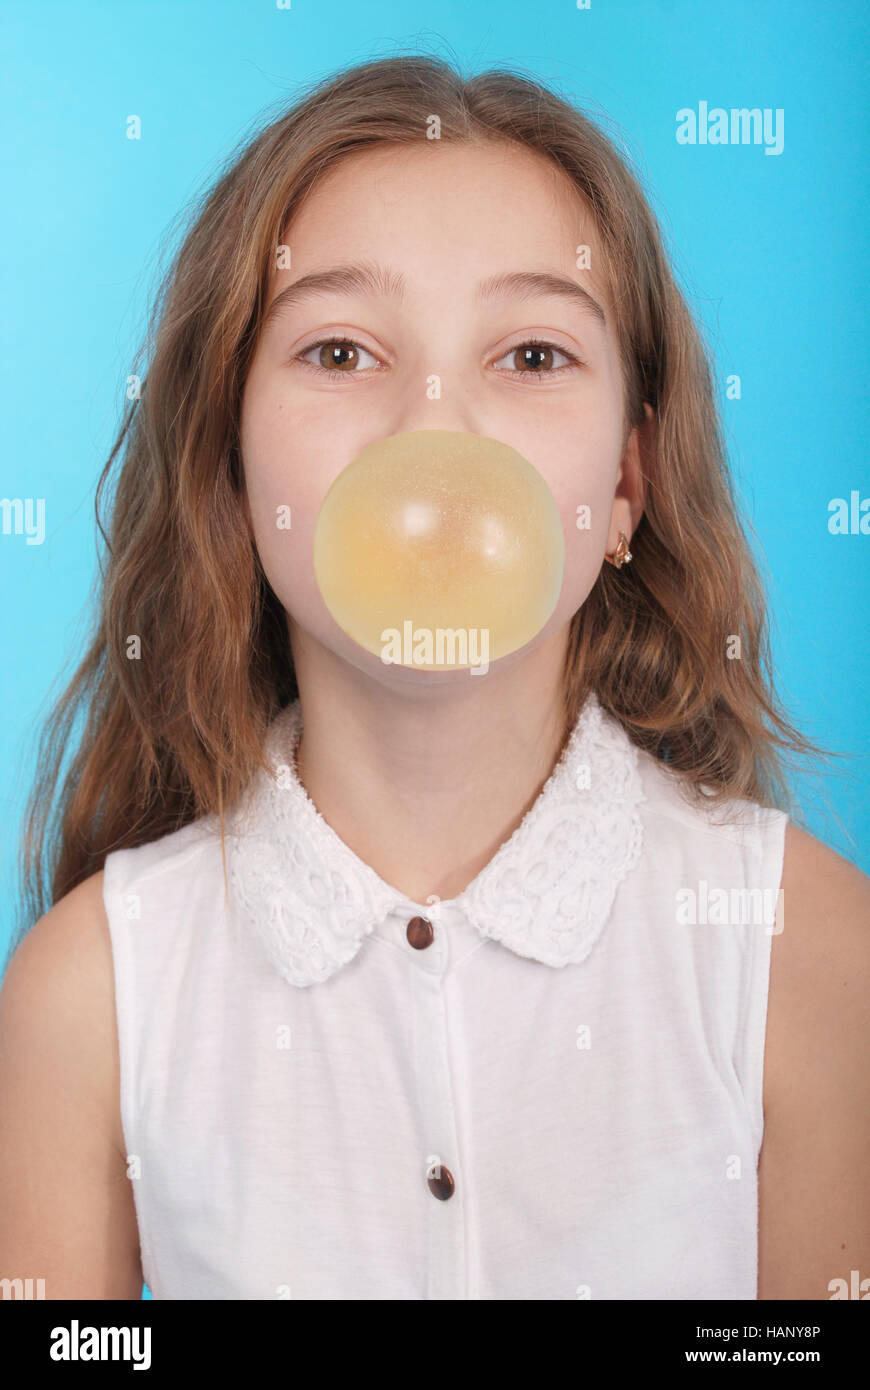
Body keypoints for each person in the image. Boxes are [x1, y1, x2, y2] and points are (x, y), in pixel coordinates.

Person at [1, 55, 867, 1301]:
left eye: (530, 355)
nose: (434, 425)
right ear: (230, 470)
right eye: (343, 351)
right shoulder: (92, 992)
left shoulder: (808, 951)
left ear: (627, 483)